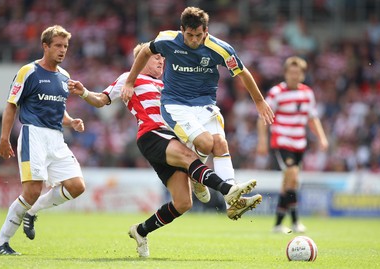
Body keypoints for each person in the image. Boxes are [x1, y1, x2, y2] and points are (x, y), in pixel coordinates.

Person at [68, 43, 262, 258]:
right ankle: (228, 191)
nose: (161, 60)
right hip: (152, 135)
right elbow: (101, 100)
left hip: (173, 137)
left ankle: (141, 231)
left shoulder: (167, 83)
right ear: (141, 60)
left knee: (183, 203)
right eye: (156, 57)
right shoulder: (129, 79)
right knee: (191, 156)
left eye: (162, 57)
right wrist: (84, 92)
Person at [120, 7, 274, 212]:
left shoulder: (220, 49)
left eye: (198, 35)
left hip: (206, 104)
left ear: (206, 32)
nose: (193, 40)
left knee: (220, 143)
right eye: (189, 35)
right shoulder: (167, 40)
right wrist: (130, 82)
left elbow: (243, 73)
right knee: (206, 142)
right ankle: (198, 177)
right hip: (176, 105)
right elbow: (145, 52)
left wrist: (259, 101)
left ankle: (232, 203)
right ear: (182, 30)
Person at [0, 25, 86, 255]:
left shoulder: (64, 77)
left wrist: (71, 121)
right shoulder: (29, 71)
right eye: (58, 46)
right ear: (45, 46)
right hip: (33, 134)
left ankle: (32, 212)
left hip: (56, 137)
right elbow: (11, 104)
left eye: (65, 46)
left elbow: (58, 110)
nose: (62, 51)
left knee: (76, 186)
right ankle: (0, 242)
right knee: (32, 190)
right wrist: (4, 138)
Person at [256, 56, 328, 233]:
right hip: (282, 141)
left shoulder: (307, 93)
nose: (294, 76)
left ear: (303, 75)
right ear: (285, 73)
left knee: (289, 183)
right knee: (293, 175)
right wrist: (263, 141)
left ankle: (278, 224)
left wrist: (322, 138)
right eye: (291, 72)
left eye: (298, 73)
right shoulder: (276, 92)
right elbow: (262, 117)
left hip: (299, 143)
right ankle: (295, 222)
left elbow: (312, 118)